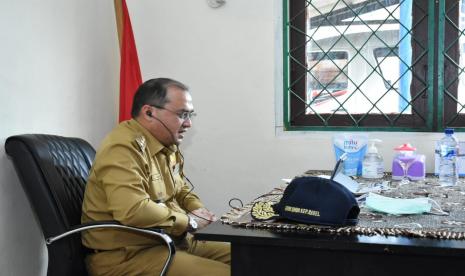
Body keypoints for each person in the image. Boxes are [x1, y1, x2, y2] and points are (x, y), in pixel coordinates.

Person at [81, 78, 231, 275]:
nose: (188, 123)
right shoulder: (123, 147)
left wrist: (198, 210)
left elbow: (180, 190)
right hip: (128, 256)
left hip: (170, 240)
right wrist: (189, 222)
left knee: (257, 255)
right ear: (149, 112)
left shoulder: (166, 145)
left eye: (190, 115)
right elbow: (133, 210)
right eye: (182, 115)